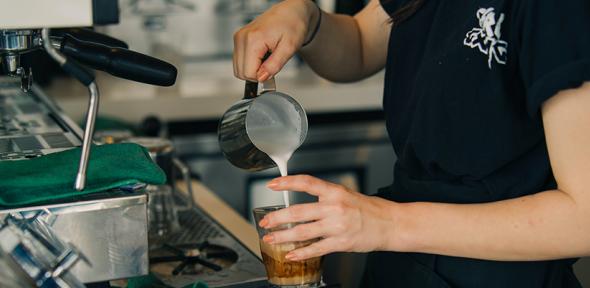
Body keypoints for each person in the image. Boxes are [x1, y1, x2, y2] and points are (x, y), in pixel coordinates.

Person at [233, 0, 590, 287]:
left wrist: (389, 224)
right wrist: (307, 19)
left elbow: (582, 219)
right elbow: (359, 44)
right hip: (403, 266)